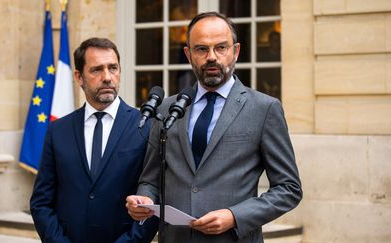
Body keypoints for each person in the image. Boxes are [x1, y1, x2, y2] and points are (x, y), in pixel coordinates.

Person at [126, 12, 302, 243]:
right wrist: (144, 200)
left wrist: (234, 216)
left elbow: (289, 188)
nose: (211, 57)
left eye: (221, 48)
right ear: (188, 54)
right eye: (201, 49)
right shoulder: (168, 108)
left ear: (235, 51)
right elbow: (150, 179)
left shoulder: (264, 108)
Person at [30, 37, 158, 243]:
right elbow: (41, 203)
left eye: (113, 68)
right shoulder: (58, 130)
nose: (107, 77)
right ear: (79, 77)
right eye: (97, 70)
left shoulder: (146, 126)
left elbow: (155, 199)